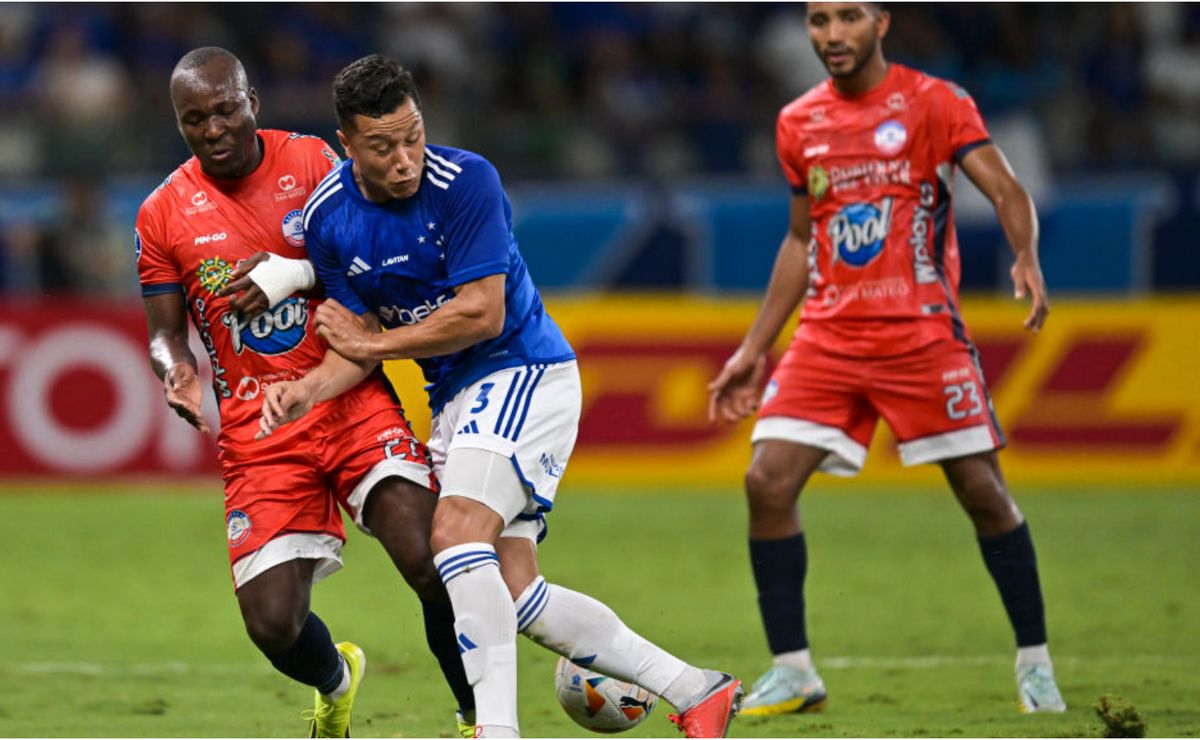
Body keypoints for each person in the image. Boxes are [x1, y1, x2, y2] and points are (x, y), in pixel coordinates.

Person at [255, 54, 742, 738]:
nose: (404, 159)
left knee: (451, 539)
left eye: (413, 136)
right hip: (457, 398)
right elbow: (357, 340)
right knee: (515, 594)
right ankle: (696, 691)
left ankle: (496, 731)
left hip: (520, 371)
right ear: (347, 144)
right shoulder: (330, 219)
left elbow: (481, 312)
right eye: (382, 146)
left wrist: (371, 349)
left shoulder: (467, 182)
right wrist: (307, 388)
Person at [707, 2, 1066, 717]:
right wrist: (755, 348)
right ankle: (795, 670)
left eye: (847, 18)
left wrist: (1024, 254)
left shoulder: (935, 102)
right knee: (766, 482)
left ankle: (1035, 663)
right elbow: (801, 242)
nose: (831, 35)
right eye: (817, 21)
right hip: (829, 337)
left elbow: (1005, 187)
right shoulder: (798, 122)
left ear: (882, 22)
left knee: (984, 494)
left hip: (920, 335)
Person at [135, 47, 474, 738]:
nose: (213, 128)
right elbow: (164, 331)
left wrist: (292, 273)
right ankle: (335, 679)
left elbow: (366, 268)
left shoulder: (317, 164)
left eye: (225, 109)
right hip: (260, 432)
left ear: (252, 100)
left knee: (431, 559)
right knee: (272, 624)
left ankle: (480, 718)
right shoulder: (162, 213)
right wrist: (175, 369)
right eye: (194, 119)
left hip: (349, 398)